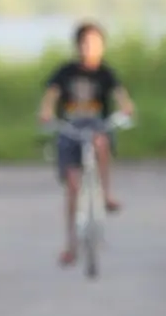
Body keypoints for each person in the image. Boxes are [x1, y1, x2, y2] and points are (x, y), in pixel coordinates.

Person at [37, 21, 136, 267]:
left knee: (101, 142)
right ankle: (71, 244)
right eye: (85, 42)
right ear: (77, 45)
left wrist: (126, 109)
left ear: (102, 46)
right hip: (70, 129)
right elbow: (50, 96)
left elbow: (122, 97)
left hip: (97, 127)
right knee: (72, 187)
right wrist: (46, 111)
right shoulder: (66, 71)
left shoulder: (106, 73)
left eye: (94, 43)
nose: (89, 48)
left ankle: (105, 194)